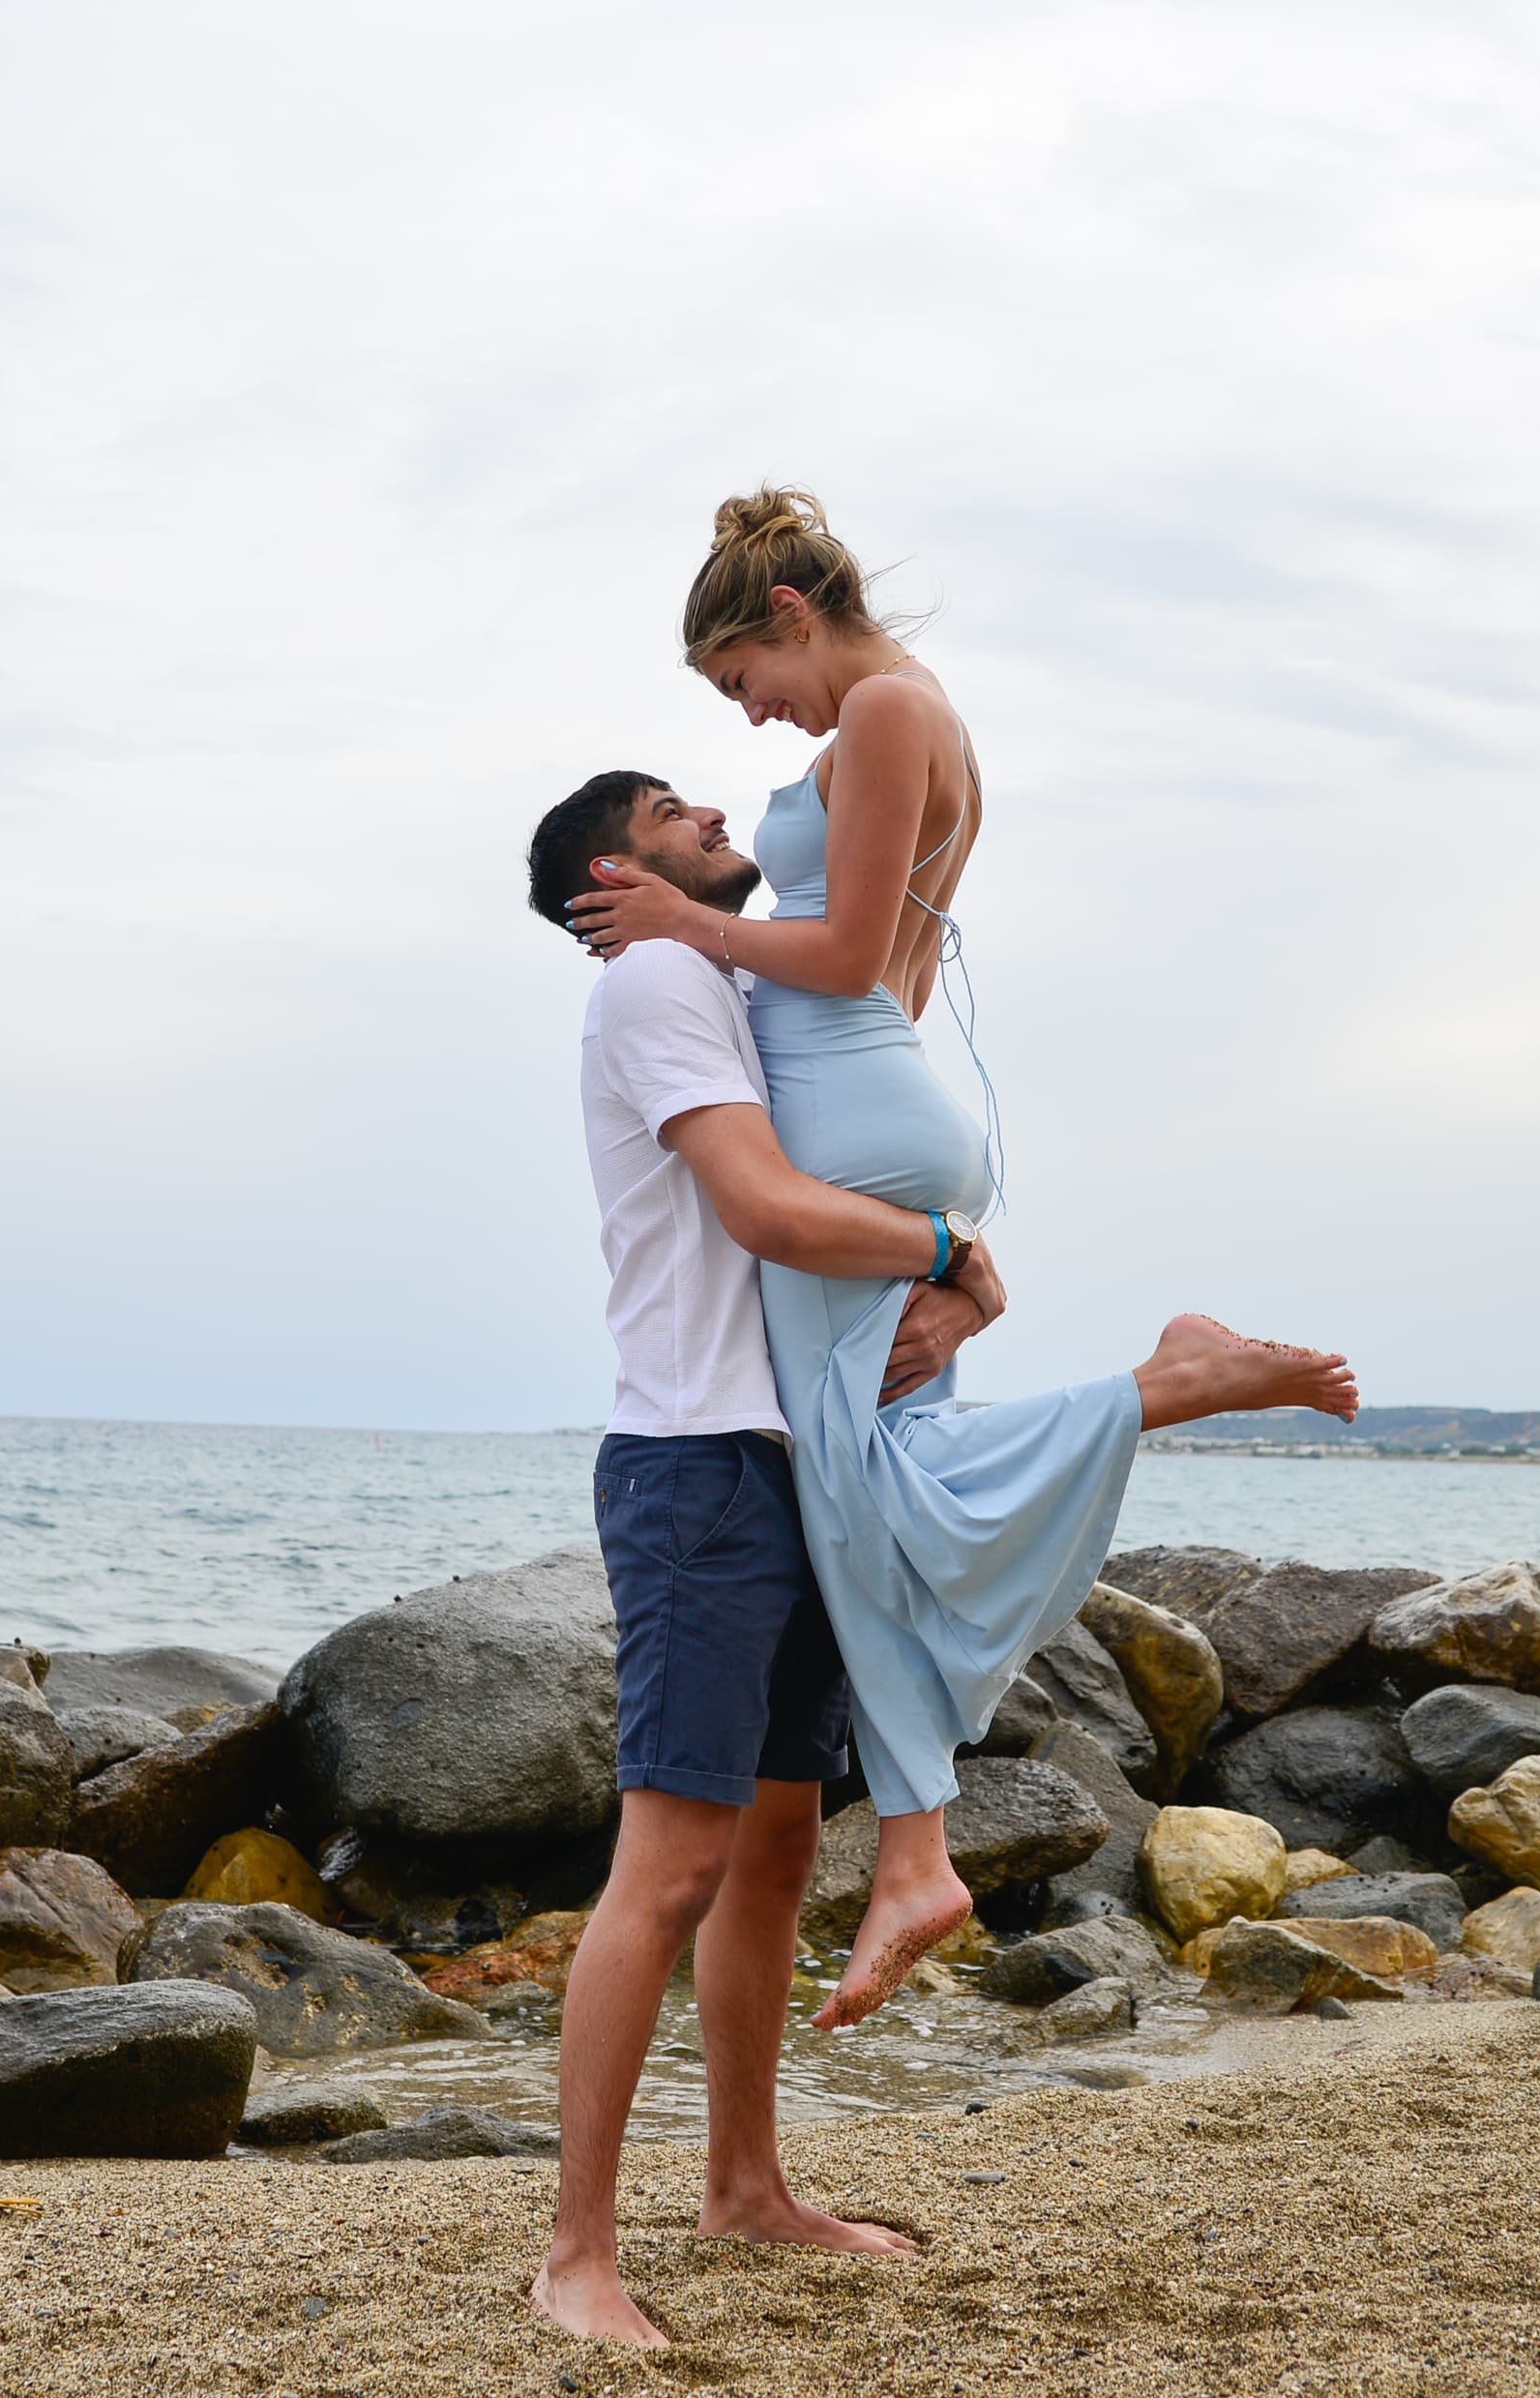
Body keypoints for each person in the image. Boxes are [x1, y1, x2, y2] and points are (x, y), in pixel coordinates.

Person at [522, 765, 1356, 2347]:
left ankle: (746, 2188)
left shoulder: (747, 988)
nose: (710, 810)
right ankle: (575, 2254)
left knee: (771, 1854)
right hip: (701, 1467)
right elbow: (771, 1209)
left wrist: (969, 1288)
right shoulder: (653, 984)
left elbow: (885, 1148)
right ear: (608, 880)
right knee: (673, 1863)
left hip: (813, 1463)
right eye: (669, 810)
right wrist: (942, 1254)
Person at [566, 487, 1361, 2028]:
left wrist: (683, 920)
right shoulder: (931, 725)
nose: (754, 720)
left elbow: (854, 956)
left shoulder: (876, 713)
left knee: (864, 1470)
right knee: (878, 1451)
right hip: (880, 1084)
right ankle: (920, 1836)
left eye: (745, 684)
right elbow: (895, 977)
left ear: (787, 618)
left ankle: (1163, 1387)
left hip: (856, 1085)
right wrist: (931, 1195)